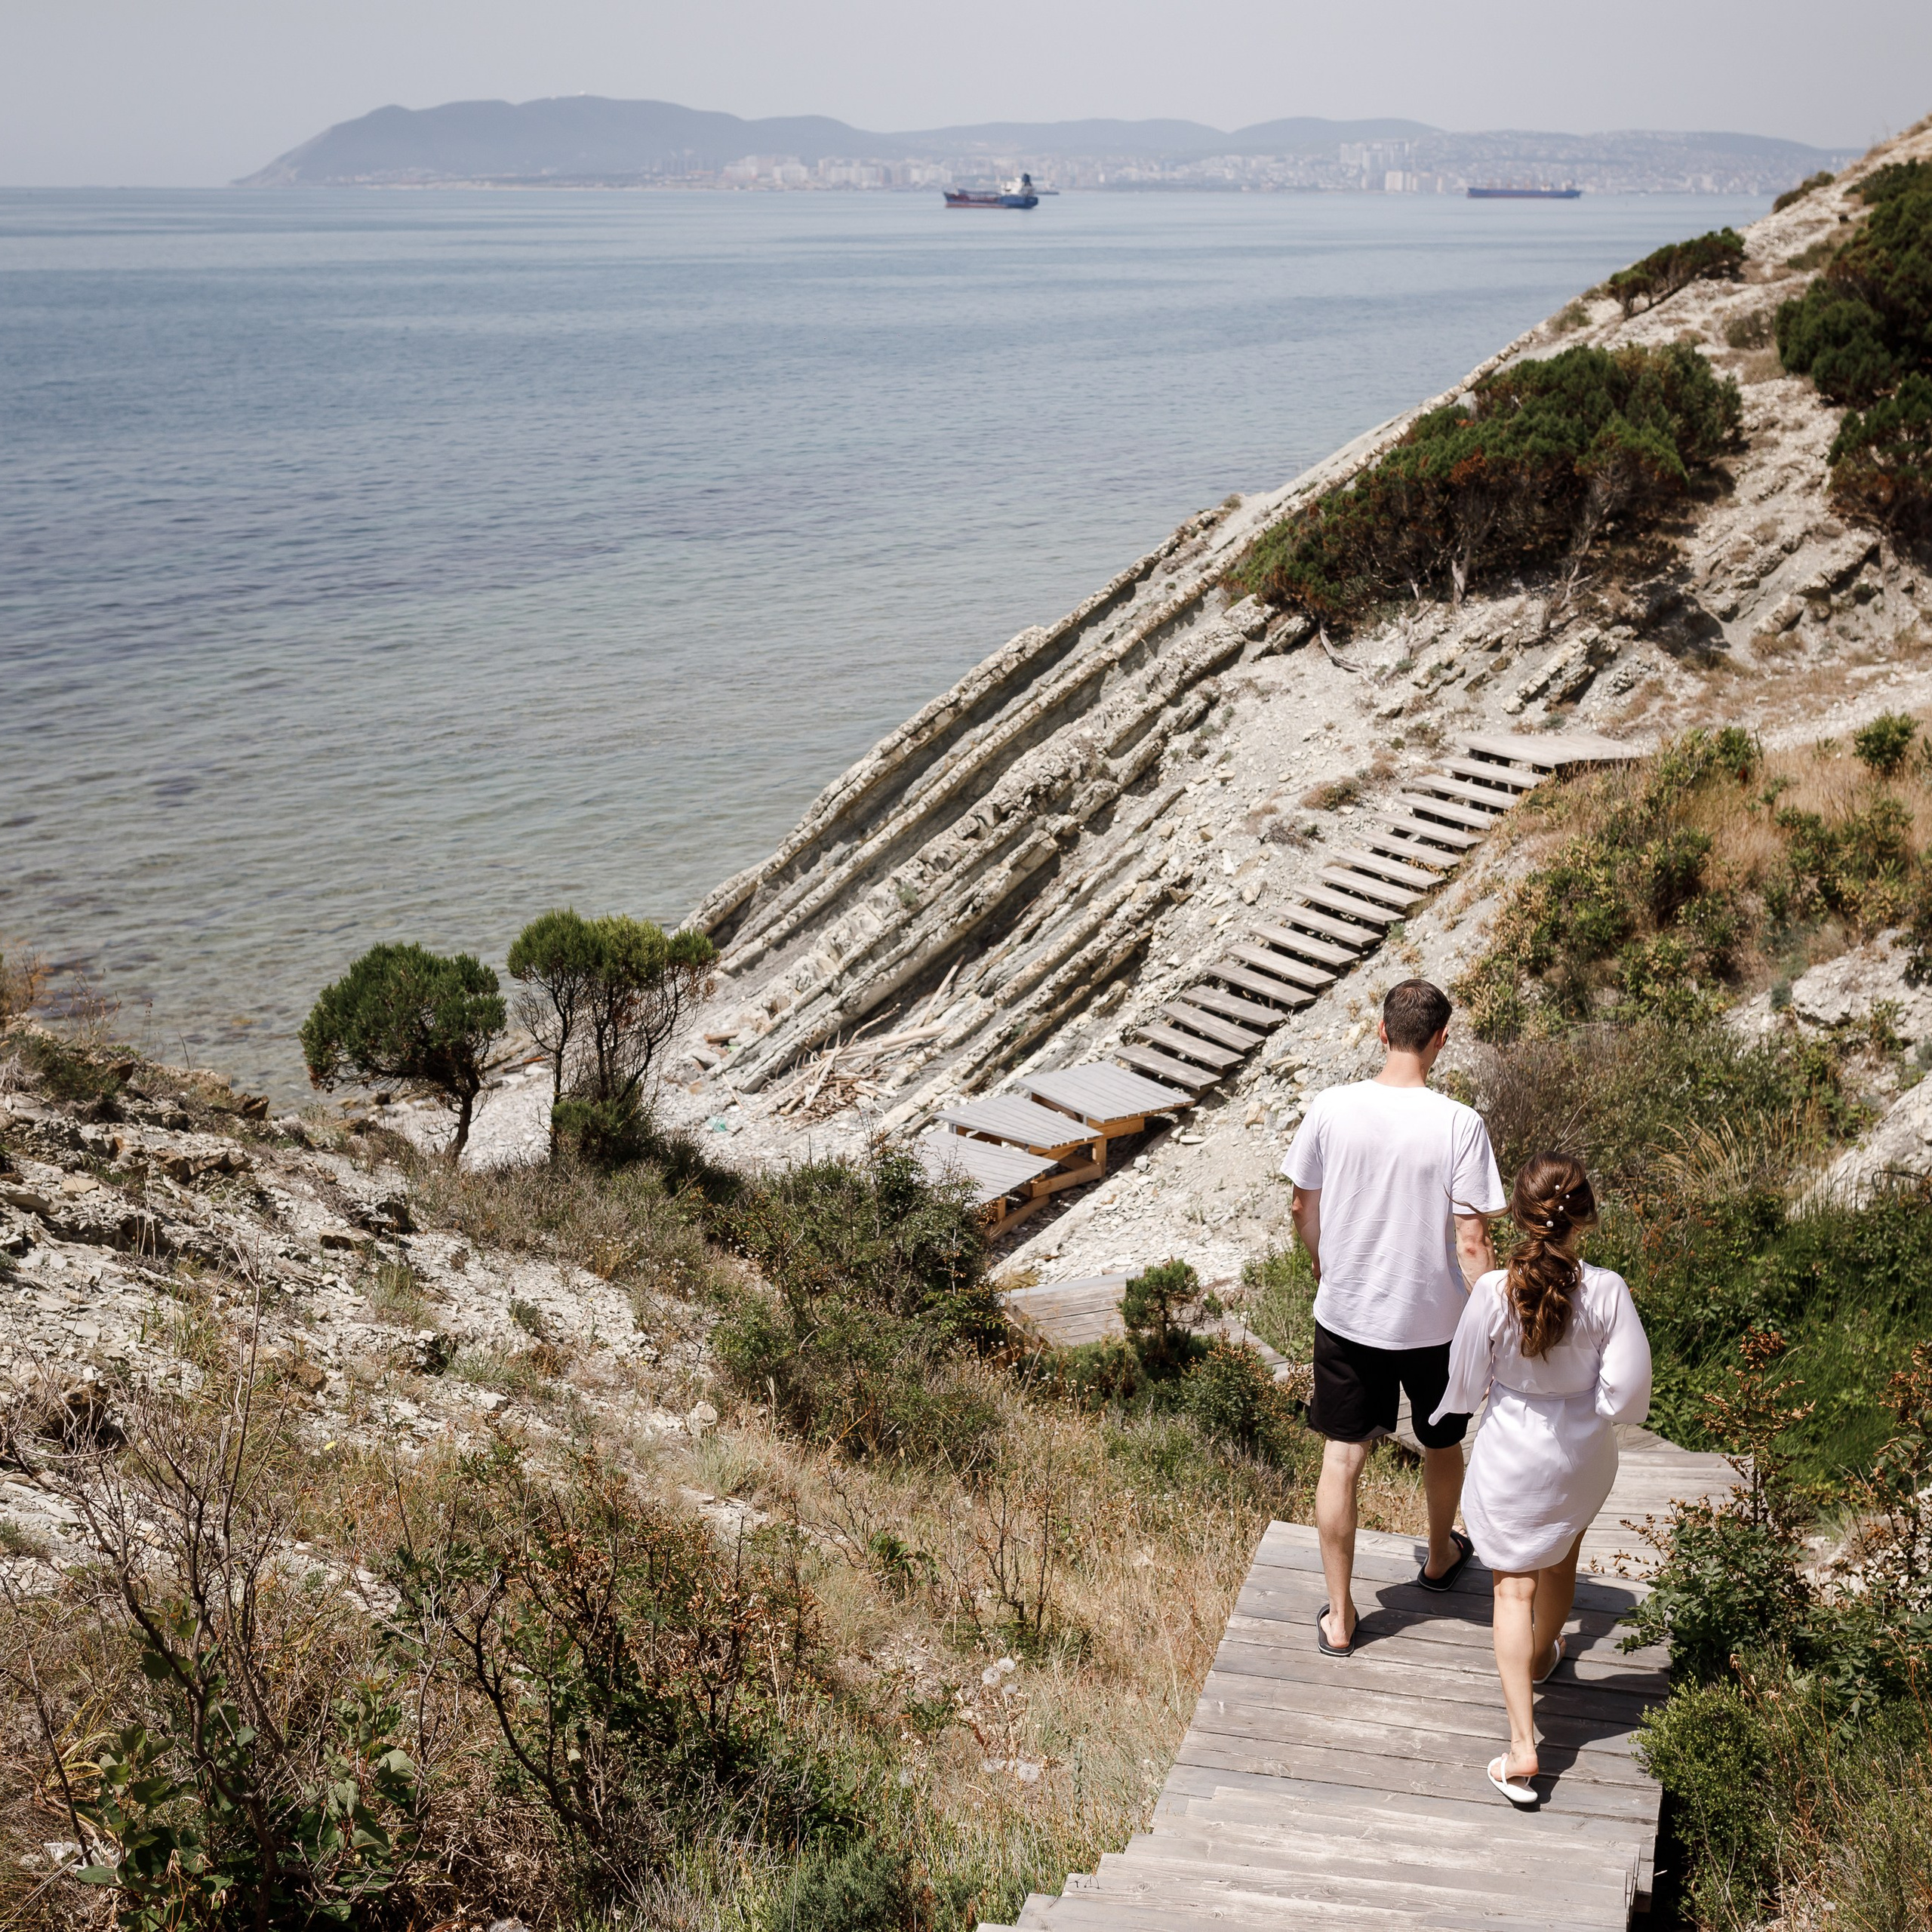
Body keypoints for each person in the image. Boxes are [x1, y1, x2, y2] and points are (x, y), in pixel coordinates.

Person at [1283, 979, 1506, 1658]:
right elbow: (1472, 1242)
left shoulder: (1331, 1107)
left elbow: (1301, 1207)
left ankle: (1343, 1619)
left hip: (1348, 1314)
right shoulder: (1459, 1123)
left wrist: (1325, 1264)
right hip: (1436, 1322)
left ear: (1382, 1032)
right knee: (1442, 1442)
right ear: (1441, 1039)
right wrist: (1493, 1321)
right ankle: (1440, 1560)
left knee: (1343, 1457)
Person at [1429, 1153, 1652, 1805]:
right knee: (1560, 1561)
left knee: (1510, 1592)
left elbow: (1466, 1386)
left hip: (1512, 1456)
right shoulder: (1607, 1290)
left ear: (1521, 1217)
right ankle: (1545, 1655)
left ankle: (1524, 1747)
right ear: (1585, 1217)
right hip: (1580, 1457)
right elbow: (1626, 1395)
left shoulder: (1495, 1290)